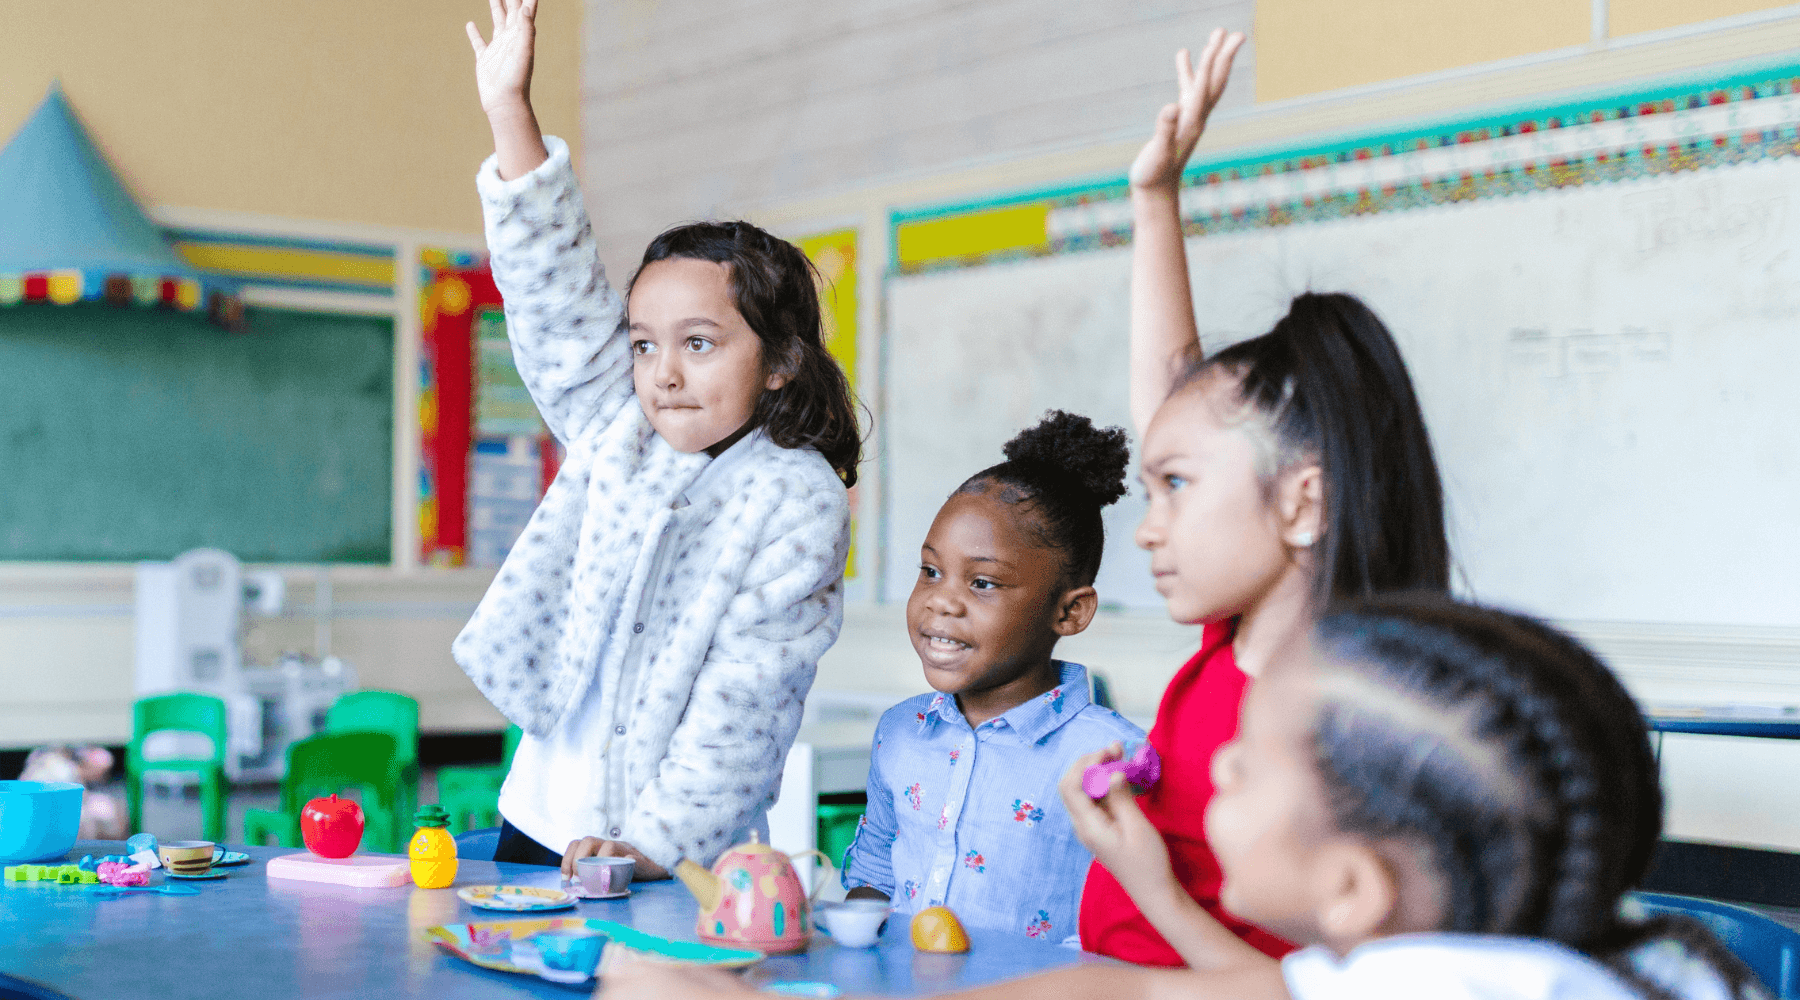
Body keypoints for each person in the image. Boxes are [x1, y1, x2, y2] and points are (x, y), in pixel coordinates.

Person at [599, 596, 1764, 1000]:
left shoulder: (1452, 983)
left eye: (1247, 765)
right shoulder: (1527, 960)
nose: (1214, 774)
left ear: (1357, 886)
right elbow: (1130, 984)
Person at [1072, 28, 1452, 968]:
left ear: (1302, 505)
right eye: (1153, 491)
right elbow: (1174, 406)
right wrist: (1153, 199)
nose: (1149, 532)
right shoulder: (1231, 641)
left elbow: (1306, 990)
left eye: (1178, 491)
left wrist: (1150, 884)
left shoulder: (1337, 720)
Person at [456, 0, 860, 879]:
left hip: (668, 853)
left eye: (700, 343)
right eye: (644, 342)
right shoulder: (621, 426)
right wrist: (510, 113)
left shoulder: (796, 500)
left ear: (783, 360)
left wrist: (652, 847)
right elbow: (554, 293)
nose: (664, 371)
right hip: (536, 818)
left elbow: (748, 701)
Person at [839, 411, 1145, 939]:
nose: (941, 601)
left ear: (1069, 613)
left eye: (982, 582)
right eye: (931, 571)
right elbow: (874, 875)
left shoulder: (1114, 757)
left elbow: (1136, 922)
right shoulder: (900, 732)